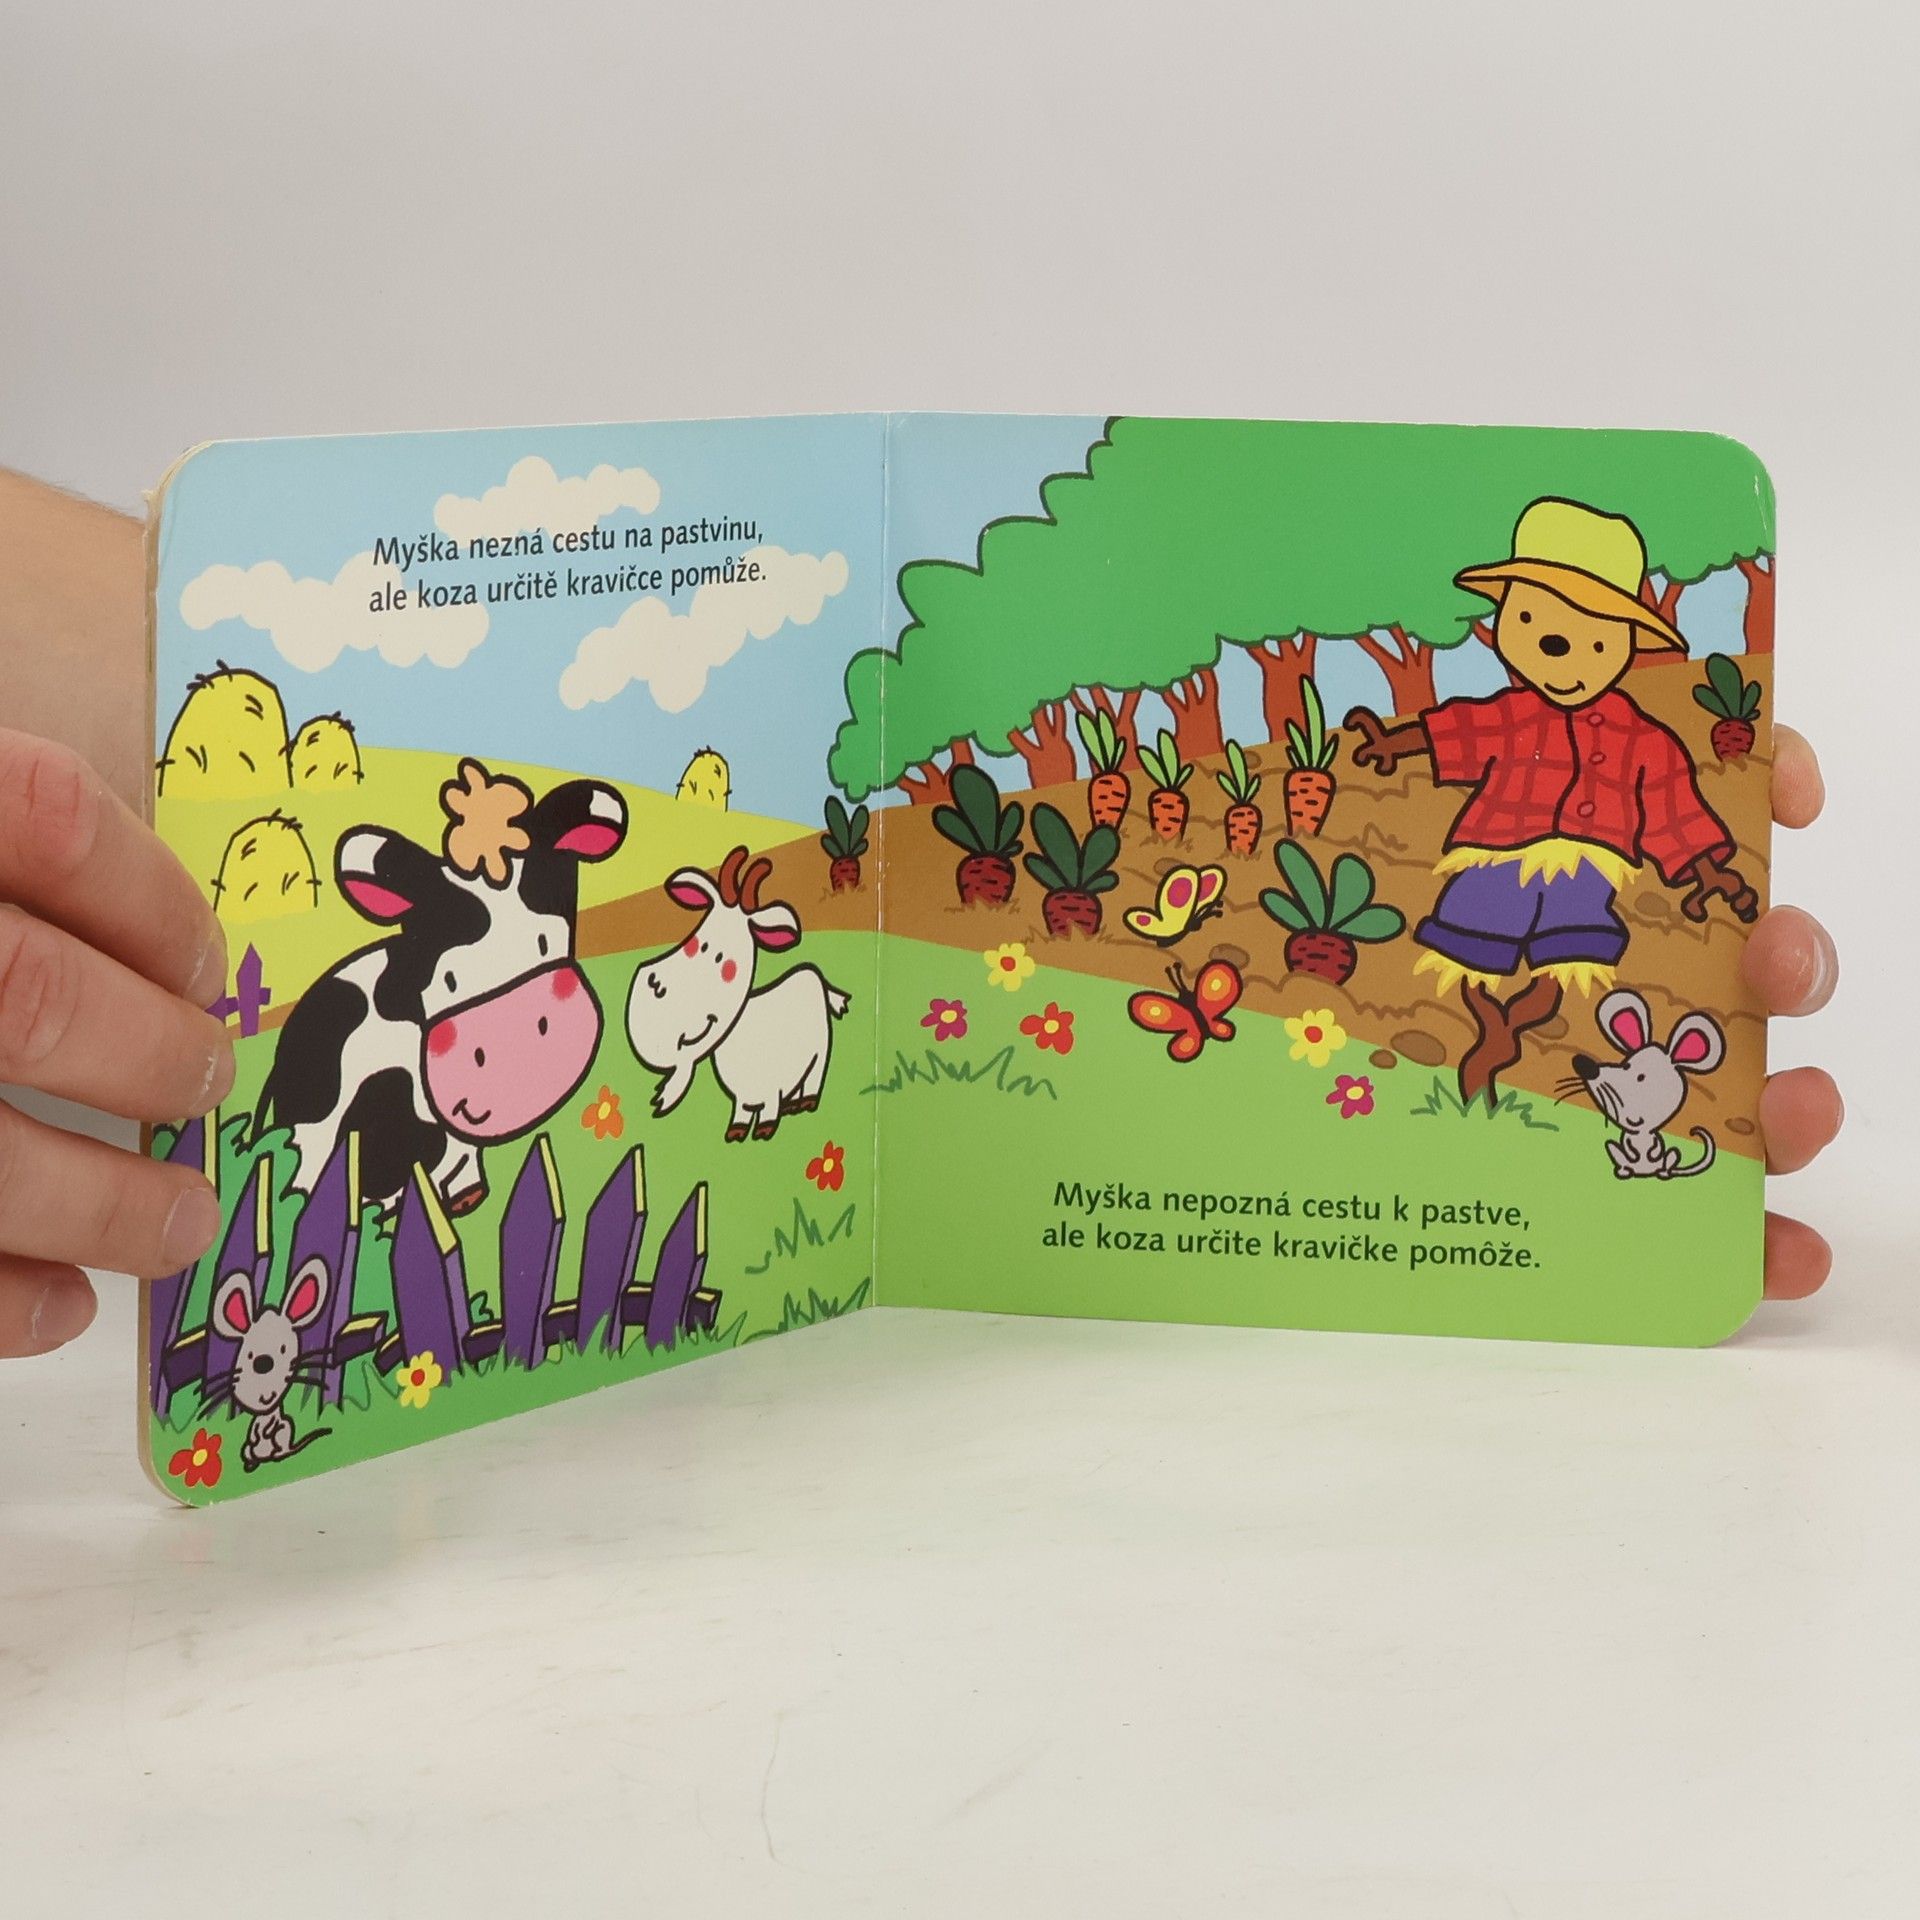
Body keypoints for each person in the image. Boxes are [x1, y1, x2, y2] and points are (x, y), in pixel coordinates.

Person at [0, 467, 1844, 1359]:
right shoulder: (1483, 718)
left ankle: (1566, 1094)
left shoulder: (1629, 732)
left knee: (1565, 955)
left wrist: (1697, 864)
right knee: (1482, 942)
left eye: (1578, 631)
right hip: (1488, 874)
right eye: (1533, 622)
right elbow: (1433, 739)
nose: (1548, 649)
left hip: (1585, 880)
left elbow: (1671, 802)